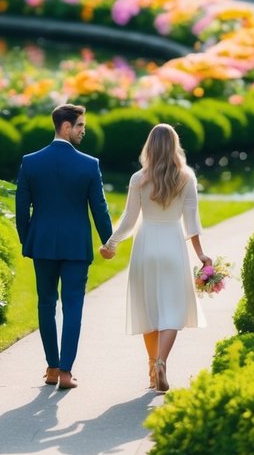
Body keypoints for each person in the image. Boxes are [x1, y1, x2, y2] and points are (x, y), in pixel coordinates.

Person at [99, 124, 211, 394]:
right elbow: (192, 221)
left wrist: (111, 243)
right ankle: (161, 362)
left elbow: (129, 218)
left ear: (149, 146)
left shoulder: (139, 177)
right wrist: (201, 255)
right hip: (173, 245)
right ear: (175, 146)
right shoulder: (186, 177)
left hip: (146, 244)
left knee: (149, 310)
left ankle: (152, 371)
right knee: (172, 312)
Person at [15, 102, 113, 390]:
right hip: (75, 247)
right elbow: (100, 209)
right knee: (73, 306)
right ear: (66, 127)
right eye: (80, 125)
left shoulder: (30, 161)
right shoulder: (89, 164)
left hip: (42, 244)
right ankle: (66, 372)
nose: (84, 130)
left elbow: (22, 209)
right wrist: (109, 242)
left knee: (46, 304)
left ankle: (52, 368)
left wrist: (28, 238)